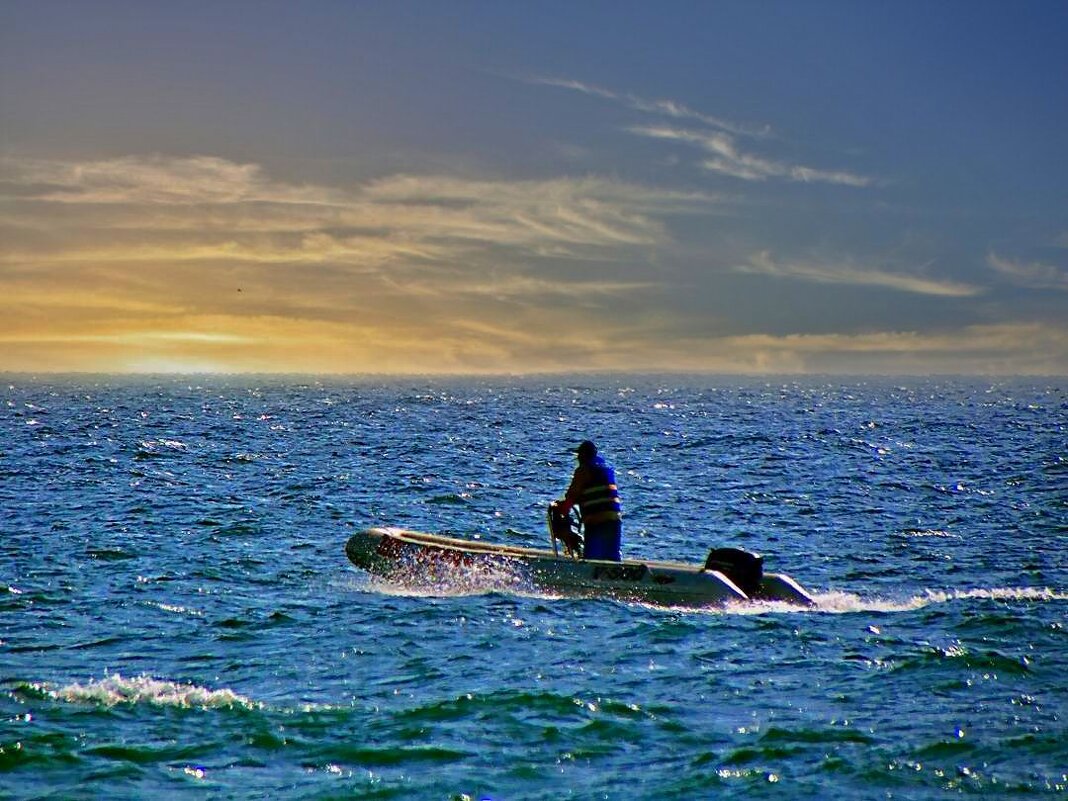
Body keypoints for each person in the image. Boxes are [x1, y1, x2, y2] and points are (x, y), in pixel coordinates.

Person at [557, 440, 622, 561]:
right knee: (612, 557)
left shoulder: (583, 470)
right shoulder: (605, 468)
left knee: (592, 558)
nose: (577, 458)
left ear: (583, 456)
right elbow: (593, 493)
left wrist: (562, 511)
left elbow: (572, 496)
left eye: (579, 455)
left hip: (597, 521)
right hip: (614, 518)